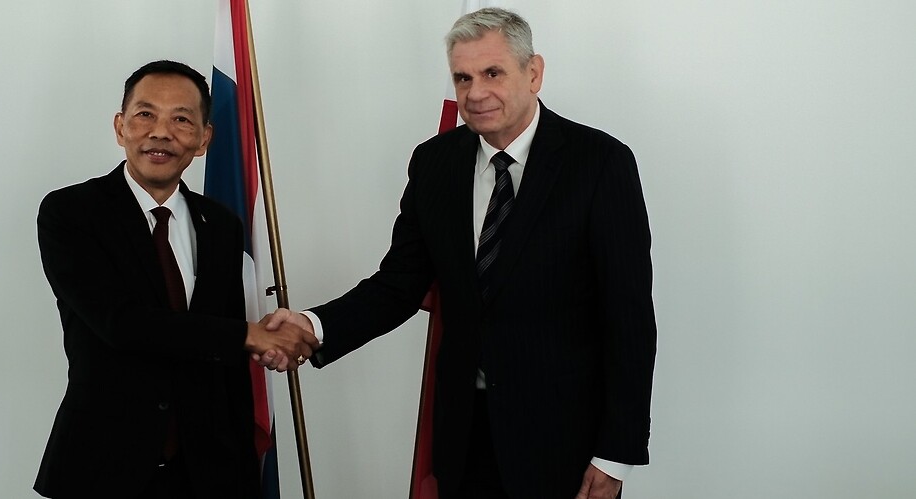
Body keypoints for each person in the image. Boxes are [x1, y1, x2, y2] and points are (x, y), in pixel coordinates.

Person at [261, 8, 656, 499]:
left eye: (493, 73)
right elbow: (399, 283)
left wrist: (615, 452)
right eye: (462, 77)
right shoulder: (435, 161)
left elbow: (629, 318)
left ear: (533, 73)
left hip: (567, 442)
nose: (475, 92)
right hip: (463, 435)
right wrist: (313, 326)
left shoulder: (600, 162)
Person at [33, 60, 318, 499]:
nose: (161, 132)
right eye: (145, 114)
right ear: (120, 126)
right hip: (102, 470)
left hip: (209, 475)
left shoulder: (222, 225)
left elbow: (227, 372)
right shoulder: (70, 212)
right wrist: (249, 335)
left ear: (204, 139)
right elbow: (121, 324)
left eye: (181, 119)